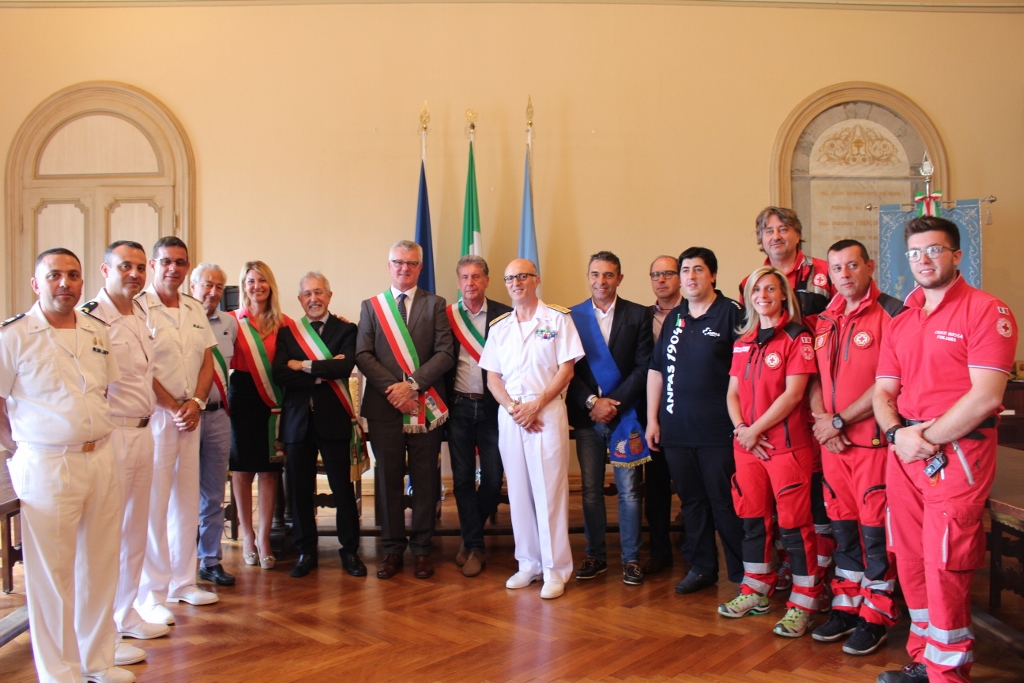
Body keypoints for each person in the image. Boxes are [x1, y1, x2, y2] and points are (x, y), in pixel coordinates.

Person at [873, 216, 1017, 683]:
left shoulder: (985, 310)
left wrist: (924, 439)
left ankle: (948, 675)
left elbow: (986, 396)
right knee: (911, 557)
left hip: (956, 454)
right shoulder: (902, 319)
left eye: (934, 250)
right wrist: (897, 435)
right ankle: (925, 658)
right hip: (905, 453)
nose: (924, 260)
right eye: (915, 253)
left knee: (945, 561)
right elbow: (883, 392)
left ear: (956, 255)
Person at [1, 248, 133, 683]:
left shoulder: (96, 330)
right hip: (48, 463)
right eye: (54, 275)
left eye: (73, 275)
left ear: (82, 281)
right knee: (53, 575)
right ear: (36, 284)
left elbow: (103, 391)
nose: (65, 283)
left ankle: (98, 661)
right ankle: (60, 672)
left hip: (101, 456)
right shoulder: (14, 336)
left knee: (100, 564)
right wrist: (23, 446)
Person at [807, 240, 903, 654]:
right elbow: (814, 378)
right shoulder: (824, 319)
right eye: (836, 268)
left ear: (869, 266)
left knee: (874, 532)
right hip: (833, 446)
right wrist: (823, 422)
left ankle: (876, 615)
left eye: (852, 265)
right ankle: (846, 607)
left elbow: (889, 382)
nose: (844, 274)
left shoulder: (892, 313)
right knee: (843, 529)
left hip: (872, 445)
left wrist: (839, 420)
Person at [82, 242, 169, 671]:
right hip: (111, 433)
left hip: (143, 431)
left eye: (139, 267)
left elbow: (144, 377)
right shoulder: (90, 319)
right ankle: (100, 636)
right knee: (106, 535)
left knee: (136, 528)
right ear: (105, 270)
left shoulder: (139, 313)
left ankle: (125, 613)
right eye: (124, 267)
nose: (134, 274)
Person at [739, 207, 836, 591]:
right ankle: (782, 572)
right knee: (768, 506)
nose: (776, 236)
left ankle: (819, 578)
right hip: (772, 405)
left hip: (820, 392)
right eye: (768, 230)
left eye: (783, 229)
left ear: (797, 234)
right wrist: (746, 427)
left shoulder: (825, 273)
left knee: (815, 498)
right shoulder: (752, 281)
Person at [721, 266, 821, 638]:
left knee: (794, 528)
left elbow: (794, 395)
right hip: (747, 447)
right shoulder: (744, 340)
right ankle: (755, 590)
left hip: (785, 448)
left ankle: (803, 604)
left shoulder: (797, 336)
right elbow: (732, 393)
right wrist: (741, 430)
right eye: (756, 289)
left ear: (783, 295)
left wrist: (755, 430)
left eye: (770, 289)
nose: (762, 295)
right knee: (753, 522)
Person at [480, 258, 584, 600]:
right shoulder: (500, 327)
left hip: (546, 411)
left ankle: (556, 569)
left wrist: (536, 405)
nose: (516, 283)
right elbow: (492, 378)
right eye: (510, 278)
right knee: (519, 491)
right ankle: (528, 563)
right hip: (512, 414)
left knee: (550, 491)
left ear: (536, 280)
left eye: (522, 276)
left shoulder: (557, 319)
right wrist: (514, 409)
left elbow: (567, 370)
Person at [646, 247, 745, 595]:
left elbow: (745, 372)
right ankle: (702, 568)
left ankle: (743, 575)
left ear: (713, 275)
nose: (690, 276)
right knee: (692, 504)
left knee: (726, 503)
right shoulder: (676, 317)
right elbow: (656, 369)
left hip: (718, 431)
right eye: (685, 270)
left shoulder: (731, 314)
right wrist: (652, 420)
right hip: (677, 430)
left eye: (698, 269)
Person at [356, 240, 455, 580]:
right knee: (388, 480)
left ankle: (423, 550)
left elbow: (445, 353)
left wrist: (411, 385)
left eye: (411, 263)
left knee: (425, 480)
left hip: (426, 404)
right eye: (399, 262)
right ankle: (392, 549)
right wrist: (395, 390)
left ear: (420, 268)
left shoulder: (435, 304)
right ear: (389, 266)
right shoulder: (372, 307)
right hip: (384, 408)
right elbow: (363, 354)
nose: (404, 268)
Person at [137, 237, 218, 626]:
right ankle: (151, 593)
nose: (174, 268)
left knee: (186, 500)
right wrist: (172, 406)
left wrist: (196, 403)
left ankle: (183, 582)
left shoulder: (194, 307)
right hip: (156, 417)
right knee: (154, 504)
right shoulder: (139, 308)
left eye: (181, 262)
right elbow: (139, 368)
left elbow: (207, 361)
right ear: (154, 265)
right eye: (166, 261)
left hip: (191, 416)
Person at [567, 251, 653, 585]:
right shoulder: (572, 317)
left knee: (629, 491)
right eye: (595, 274)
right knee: (590, 490)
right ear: (588, 276)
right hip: (588, 417)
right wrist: (592, 402)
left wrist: (612, 404)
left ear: (619, 278)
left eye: (608, 275)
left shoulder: (639, 314)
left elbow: (643, 366)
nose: (601, 281)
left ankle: (631, 559)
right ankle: (596, 555)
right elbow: (567, 370)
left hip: (624, 416)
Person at [273, 271, 366, 579]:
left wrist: (302, 365)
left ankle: (349, 550)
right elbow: (280, 373)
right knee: (299, 491)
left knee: (342, 489)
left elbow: (345, 366)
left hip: (333, 419)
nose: (314, 298)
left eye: (319, 292)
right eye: (308, 294)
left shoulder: (346, 329)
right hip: (297, 422)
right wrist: (321, 372)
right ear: (300, 299)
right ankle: (306, 551)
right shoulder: (288, 333)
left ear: (329, 295)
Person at [443, 255, 512, 577]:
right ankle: (475, 546)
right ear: (458, 282)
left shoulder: (505, 315)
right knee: (462, 478)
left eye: (476, 277)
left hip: (492, 407)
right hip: (458, 405)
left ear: (486, 280)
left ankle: (470, 535)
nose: (470, 283)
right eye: (464, 277)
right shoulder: (447, 317)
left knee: (493, 479)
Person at [230, 260, 291, 571]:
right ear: (244, 286)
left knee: (269, 470)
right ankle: (247, 536)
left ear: (271, 285)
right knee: (242, 470)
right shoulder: (231, 321)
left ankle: (265, 538)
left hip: (273, 400)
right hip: (241, 397)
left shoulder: (285, 323)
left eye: (262, 280)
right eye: (251, 281)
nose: (257, 286)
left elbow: (312, 341)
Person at [190, 263, 238, 588]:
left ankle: (210, 560)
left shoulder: (229, 324)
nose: (213, 292)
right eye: (207, 285)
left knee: (213, 493)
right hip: (186, 416)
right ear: (193, 286)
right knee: (180, 492)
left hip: (219, 416)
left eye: (219, 287)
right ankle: (180, 561)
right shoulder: (181, 320)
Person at [644, 255, 684, 575]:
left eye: (668, 273)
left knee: (691, 487)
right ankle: (659, 551)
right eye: (655, 274)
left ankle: (695, 546)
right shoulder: (642, 317)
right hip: (655, 413)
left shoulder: (698, 311)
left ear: (680, 277)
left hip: (690, 411)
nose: (661, 279)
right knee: (655, 488)